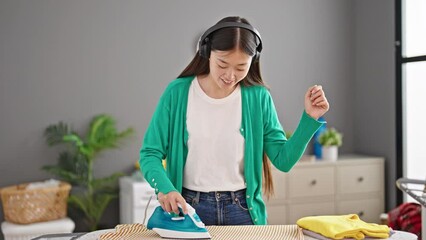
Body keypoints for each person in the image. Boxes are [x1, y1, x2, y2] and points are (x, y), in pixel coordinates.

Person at [139, 16, 329, 226]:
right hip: (190, 208)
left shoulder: (258, 98)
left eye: (240, 67)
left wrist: (310, 118)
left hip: (242, 211)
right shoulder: (177, 93)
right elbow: (150, 153)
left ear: (253, 61)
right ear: (206, 52)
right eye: (222, 64)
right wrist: (166, 188)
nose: (230, 75)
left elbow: (283, 161)